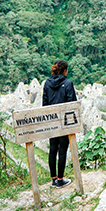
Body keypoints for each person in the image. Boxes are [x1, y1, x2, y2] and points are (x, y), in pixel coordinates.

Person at [42, 60, 78, 189]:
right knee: (62, 150)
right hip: (64, 121)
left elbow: (44, 104)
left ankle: (53, 179)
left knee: (52, 149)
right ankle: (60, 179)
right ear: (65, 71)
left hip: (52, 120)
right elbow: (72, 104)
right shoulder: (68, 84)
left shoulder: (47, 83)